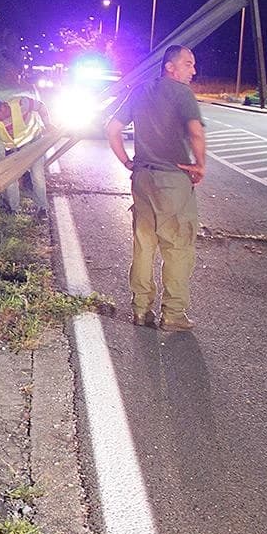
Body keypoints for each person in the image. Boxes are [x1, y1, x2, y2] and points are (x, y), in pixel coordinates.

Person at [104, 45, 206, 332]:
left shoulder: (140, 90)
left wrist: (127, 161)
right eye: (188, 64)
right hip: (172, 180)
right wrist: (200, 165)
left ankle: (140, 309)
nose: (193, 70)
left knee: (144, 244)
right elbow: (196, 132)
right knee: (177, 246)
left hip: (142, 179)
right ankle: (173, 314)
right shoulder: (182, 93)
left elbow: (111, 129)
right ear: (170, 67)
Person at [0, 94, 50, 215]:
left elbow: (41, 106)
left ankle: (42, 207)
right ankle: (13, 208)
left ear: (3, 107)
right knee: (10, 178)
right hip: (13, 150)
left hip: (33, 143)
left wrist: (48, 125)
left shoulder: (21, 103)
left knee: (37, 175)